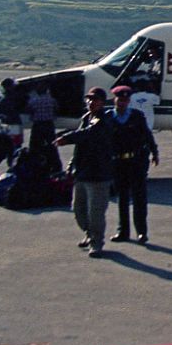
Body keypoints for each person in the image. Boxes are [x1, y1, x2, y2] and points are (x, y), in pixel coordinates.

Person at [55, 87, 114, 258]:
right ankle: (89, 234)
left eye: (94, 100)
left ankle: (97, 243)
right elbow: (80, 146)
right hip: (82, 172)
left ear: (102, 102)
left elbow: (88, 134)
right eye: (88, 99)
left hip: (98, 174)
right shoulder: (86, 118)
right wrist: (72, 165)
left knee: (96, 212)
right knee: (78, 210)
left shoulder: (104, 119)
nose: (90, 103)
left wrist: (66, 138)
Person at [107, 85, 160, 245]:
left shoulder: (137, 116)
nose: (122, 102)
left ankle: (141, 232)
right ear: (115, 99)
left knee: (139, 198)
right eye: (120, 99)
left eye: (125, 100)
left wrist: (154, 152)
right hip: (118, 162)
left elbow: (147, 135)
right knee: (122, 198)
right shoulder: (109, 117)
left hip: (136, 162)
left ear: (129, 101)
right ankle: (122, 231)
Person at [26, 86, 60, 171]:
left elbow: (29, 110)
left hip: (38, 124)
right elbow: (56, 109)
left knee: (34, 146)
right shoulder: (52, 100)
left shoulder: (33, 101)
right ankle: (56, 165)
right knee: (52, 145)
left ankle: (32, 164)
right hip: (48, 124)